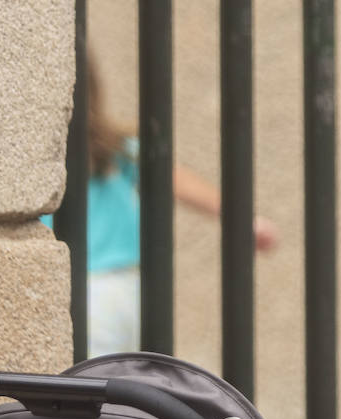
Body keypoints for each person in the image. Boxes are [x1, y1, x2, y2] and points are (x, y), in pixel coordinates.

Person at [48, 56, 279, 356]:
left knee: (77, 383)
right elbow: (171, 177)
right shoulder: (112, 147)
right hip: (130, 291)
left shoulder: (97, 150)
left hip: (84, 293)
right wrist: (239, 218)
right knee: (117, 386)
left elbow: (171, 177)